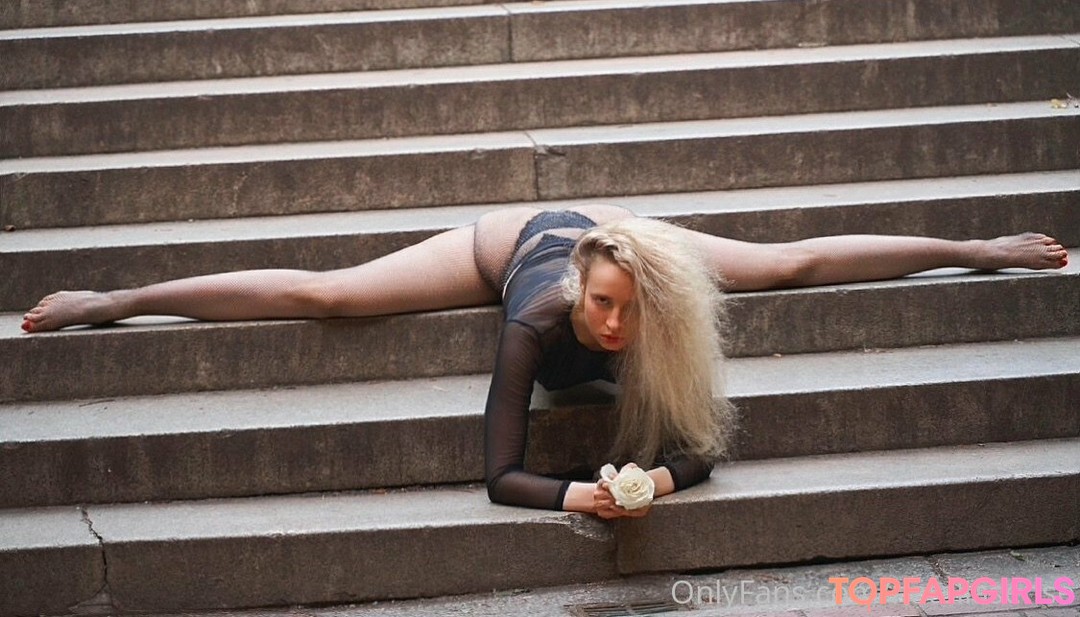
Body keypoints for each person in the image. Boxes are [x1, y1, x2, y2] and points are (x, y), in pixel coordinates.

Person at [19, 205, 1070, 518]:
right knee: (330, 294)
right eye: (600, 306)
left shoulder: (654, 303)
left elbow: (700, 443)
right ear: (581, 292)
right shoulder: (534, 320)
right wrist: (583, 494)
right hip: (505, 245)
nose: (611, 327)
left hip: (625, 234)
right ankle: (121, 298)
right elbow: (499, 473)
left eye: (626, 311)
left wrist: (657, 480)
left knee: (786, 264)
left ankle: (975, 246)